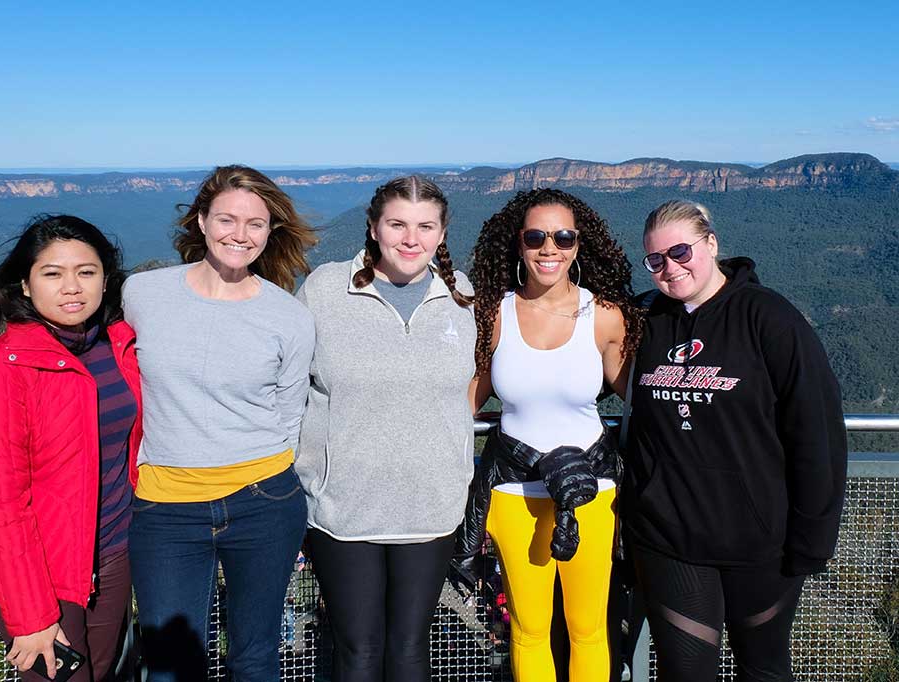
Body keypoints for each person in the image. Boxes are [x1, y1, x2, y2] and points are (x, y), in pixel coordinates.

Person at [625, 199, 847, 681]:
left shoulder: (769, 319)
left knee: (763, 669)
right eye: (655, 260)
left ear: (711, 244)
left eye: (681, 251)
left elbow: (816, 432)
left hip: (761, 541)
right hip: (670, 537)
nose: (670, 267)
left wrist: (813, 537)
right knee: (685, 673)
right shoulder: (647, 321)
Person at [122, 165, 317, 681]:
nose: (241, 234)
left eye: (256, 223)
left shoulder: (288, 316)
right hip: (165, 507)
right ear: (202, 221)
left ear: (270, 231)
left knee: (255, 658)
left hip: (264, 502)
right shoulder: (142, 294)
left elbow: (289, 412)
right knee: (170, 666)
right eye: (227, 219)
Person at [294, 175, 476, 682]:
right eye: (397, 224)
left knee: (410, 649)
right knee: (357, 651)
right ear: (374, 227)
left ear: (442, 234)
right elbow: (287, 383)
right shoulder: (325, 289)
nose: (410, 238)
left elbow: (472, 386)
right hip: (343, 508)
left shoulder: (462, 296)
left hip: (431, 505)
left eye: (424, 226)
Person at [0, 215, 141, 681]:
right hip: (41, 571)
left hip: (115, 554)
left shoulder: (118, 345)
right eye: (52, 273)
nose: (71, 287)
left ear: (105, 280)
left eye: (86, 272)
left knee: (103, 673)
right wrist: (30, 616)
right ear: (26, 287)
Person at [457, 188, 642, 681]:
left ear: (580, 245)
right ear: (518, 244)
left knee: (588, 629)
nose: (549, 248)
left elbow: (641, 398)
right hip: (514, 494)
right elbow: (463, 404)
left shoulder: (603, 316)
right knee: (529, 629)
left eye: (563, 237)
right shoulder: (494, 315)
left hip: (591, 493)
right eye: (536, 236)